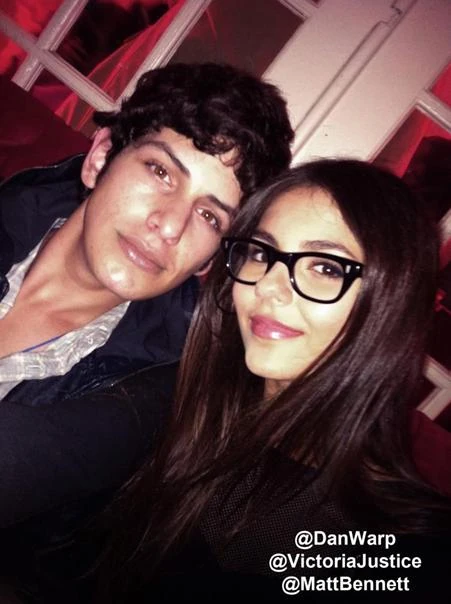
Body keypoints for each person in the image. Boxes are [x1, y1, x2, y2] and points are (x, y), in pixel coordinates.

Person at [92, 159, 451, 603]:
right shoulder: (181, 409)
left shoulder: (400, 553)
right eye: (262, 253)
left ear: (391, 304)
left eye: (326, 267)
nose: (267, 286)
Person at [0, 63, 293, 552]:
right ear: (100, 158)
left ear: (209, 260)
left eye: (209, 215)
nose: (170, 226)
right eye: (161, 172)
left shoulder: (155, 392)